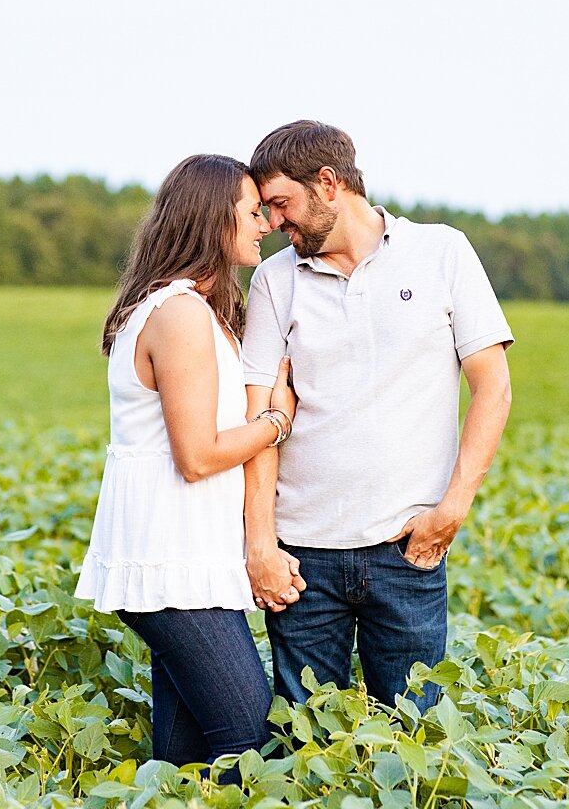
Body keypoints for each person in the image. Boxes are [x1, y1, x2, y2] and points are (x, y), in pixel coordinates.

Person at [241, 121, 513, 710]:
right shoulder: (273, 279)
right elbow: (258, 415)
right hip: (301, 560)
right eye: (265, 209)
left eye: (282, 204)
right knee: (307, 744)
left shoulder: (443, 252)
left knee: (416, 737)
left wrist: (452, 510)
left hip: (405, 550)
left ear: (329, 184)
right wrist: (260, 543)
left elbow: (493, 389)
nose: (274, 223)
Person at [74, 154, 302, 777]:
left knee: (180, 756)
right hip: (170, 552)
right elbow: (197, 457)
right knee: (249, 735)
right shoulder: (179, 314)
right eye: (251, 213)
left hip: (187, 554)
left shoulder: (185, 308)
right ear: (211, 219)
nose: (265, 225)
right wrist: (276, 422)